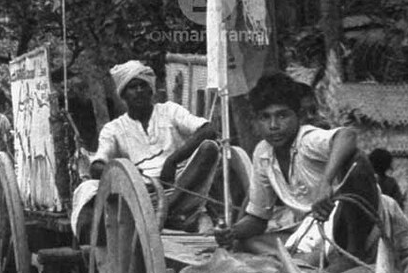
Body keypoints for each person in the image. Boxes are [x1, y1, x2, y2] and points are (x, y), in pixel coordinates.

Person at [214, 72, 358, 251]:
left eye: (282, 116)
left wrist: (325, 183)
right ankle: (295, 260)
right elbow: (258, 220)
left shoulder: (306, 139)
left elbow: (347, 135)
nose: (273, 125)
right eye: (265, 117)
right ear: (256, 121)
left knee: (291, 257)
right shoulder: (262, 153)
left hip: (340, 225)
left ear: (298, 115)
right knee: (246, 243)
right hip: (306, 230)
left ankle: (300, 261)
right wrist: (231, 232)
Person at [89, 60, 221, 232]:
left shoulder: (170, 111)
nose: (138, 91)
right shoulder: (114, 129)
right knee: (88, 189)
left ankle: (168, 209)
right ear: (123, 95)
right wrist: (128, 173)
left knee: (209, 148)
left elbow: (209, 129)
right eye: (132, 87)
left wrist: (172, 161)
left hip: (181, 183)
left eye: (143, 85)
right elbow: (97, 166)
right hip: (144, 194)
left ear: (151, 89)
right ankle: (169, 212)